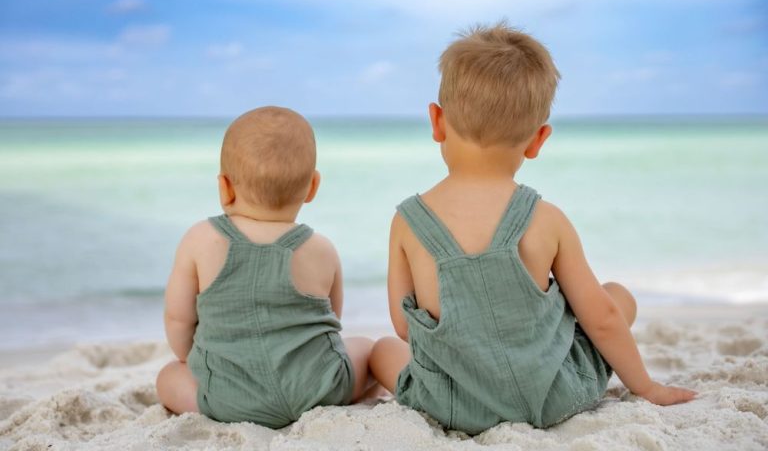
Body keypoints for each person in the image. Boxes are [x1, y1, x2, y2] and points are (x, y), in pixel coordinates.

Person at [369, 23, 696, 434]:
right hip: (554, 396)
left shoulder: (407, 221)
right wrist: (647, 387)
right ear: (537, 140)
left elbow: (404, 328)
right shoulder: (546, 218)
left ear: (436, 121)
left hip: (454, 405)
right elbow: (603, 319)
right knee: (616, 298)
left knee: (381, 350)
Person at [156, 106, 374, 428]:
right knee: (366, 349)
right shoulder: (321, 249)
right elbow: (331, 324)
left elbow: (178, 318)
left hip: (229, 400)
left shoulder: (200, 239)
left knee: (168, 377)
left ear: (225, 187)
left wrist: (191, 358)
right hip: (315, 391)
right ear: (313, 187)